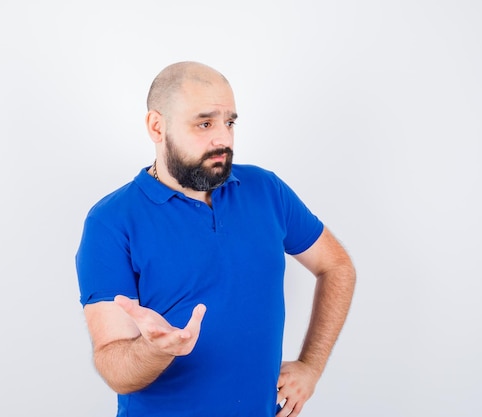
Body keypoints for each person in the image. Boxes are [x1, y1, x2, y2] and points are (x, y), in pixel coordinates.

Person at [75, 61, 356, 417]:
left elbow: (336, 266)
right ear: (157, 126)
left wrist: (311, 366)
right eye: (204, 123)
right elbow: (114, 365)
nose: (223, 138)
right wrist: (157, 350)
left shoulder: (266, 190)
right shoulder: (110, 222)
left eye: (230, 122)